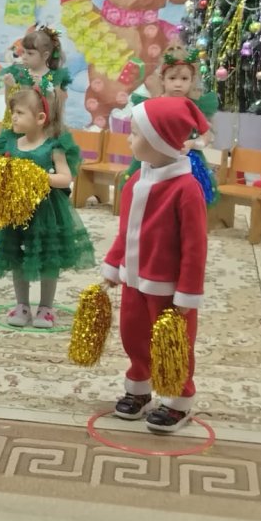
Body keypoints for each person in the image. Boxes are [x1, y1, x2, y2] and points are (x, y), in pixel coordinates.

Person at [103, 97, 210, 434]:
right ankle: (139, 387)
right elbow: (126, 231)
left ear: (158, 141)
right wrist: (113, 265)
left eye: (135, 133)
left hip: (170, 289)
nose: (128, 139)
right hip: (134, 280)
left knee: (174, 345)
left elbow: (195, 247)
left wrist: (187, 292)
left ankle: (179, 401)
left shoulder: (186, 189)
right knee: (133, 334)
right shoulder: (135, 181)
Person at [0, 87, 94, 328]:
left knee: (48, 258)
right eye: (13, 112)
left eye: (19, 113)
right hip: (15, 213)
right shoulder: (10, 144)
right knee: (17, 257)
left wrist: (38, 177)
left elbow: (65, 178)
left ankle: (46, 307)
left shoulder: (53, 146)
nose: (14, 118)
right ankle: (22, 305)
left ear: (40, 118)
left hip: (45, 213)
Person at [119, 45, 218, 202]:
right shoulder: (153, 105)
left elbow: (206, 135)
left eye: (184, 79)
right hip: (154, 159)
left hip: (185, 160)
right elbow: (140, 129)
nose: (178, 84)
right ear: (162, 80)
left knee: (185, 197)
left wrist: (193, 143)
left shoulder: (193, 107)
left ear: (192, 80)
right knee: (150, 195)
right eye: (172, 78)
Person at [0, 24, 71, 133]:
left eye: (30, 53)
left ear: (45, 55)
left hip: (45, 133)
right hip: (20, 132)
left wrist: (46, 89)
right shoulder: (19, 74)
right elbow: (11, 108)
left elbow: (56, 111)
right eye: (23, 52)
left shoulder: (55, 78)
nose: (24, 57)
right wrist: (10, 88)